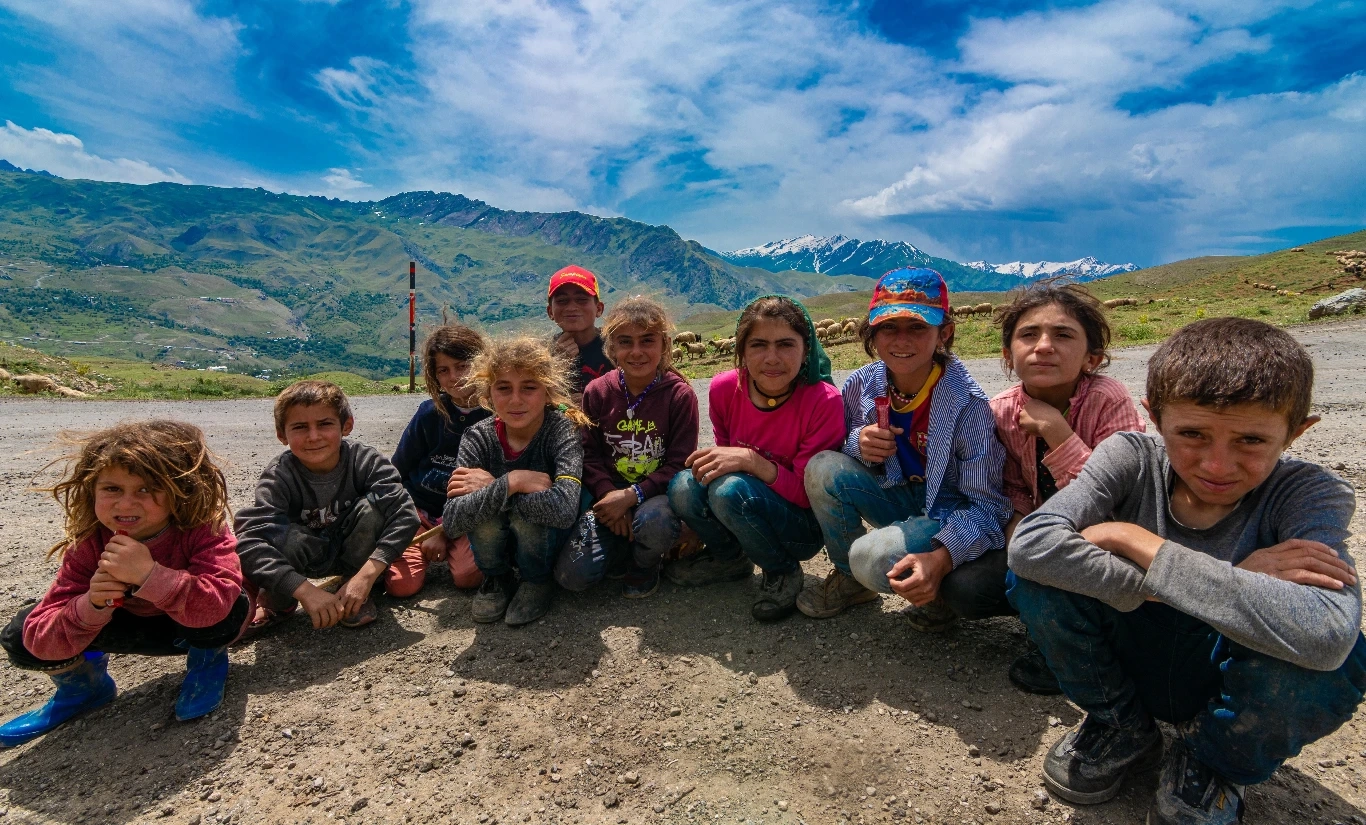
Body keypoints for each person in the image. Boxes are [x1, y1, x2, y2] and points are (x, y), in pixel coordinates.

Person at [1008, 317, 1365, 825]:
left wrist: (1134, 539)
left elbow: (1327, 633)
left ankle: (1211, 760)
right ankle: (1121, 725)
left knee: (1343, 661)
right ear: (1154, 418)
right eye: (1192, 434)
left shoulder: (1310, 494)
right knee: (1036, 582)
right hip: (1139, 645)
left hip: (1226, 667)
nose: (1217, 465)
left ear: (1295, 433)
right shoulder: (1130, 458)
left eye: (1250, 441)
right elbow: (1031, 546)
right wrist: (1238, 572)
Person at [0, 421, 248, 745]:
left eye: (147, 488)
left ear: (179, 489)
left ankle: (207, 663)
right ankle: (86, 688)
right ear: (92, 490)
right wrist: (91, 605)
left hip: (187, 630)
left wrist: (148, 575)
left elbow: (215, 604)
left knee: (231, 605)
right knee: (23, 636)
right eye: (112, 489)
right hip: (125, 626)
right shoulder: (89, 543)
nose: (126, 504)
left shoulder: (203, 528)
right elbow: (42, 636)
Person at [802, 267, 1011, 632]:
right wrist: (859, 444)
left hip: (947, 514)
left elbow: (989, 507)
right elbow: (843, 449)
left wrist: (944, 556)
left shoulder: (969, 407)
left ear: (943, 333)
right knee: (821, 466)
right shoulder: (862, 384)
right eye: (888, 327)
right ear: (873, 333)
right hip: (896, 496)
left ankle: (936, 589)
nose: (902, 340)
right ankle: (850, 581)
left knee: (871, 558)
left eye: (917, 327)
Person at [989, 281, 1146, 695]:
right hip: (1042, 532)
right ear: (1008, 355)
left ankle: (1092, 649)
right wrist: (1019, 524)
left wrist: (1058, 434)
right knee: (982, 581)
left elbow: (1124, 497)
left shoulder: (1109, 399)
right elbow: (1010, 485)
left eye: (1063, 335)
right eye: (1028, 335)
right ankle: (1048, 633)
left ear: (1091, 357)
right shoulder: (1001, 411)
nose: (1044, 346)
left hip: (1106, 534)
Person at [666, 295, 844, 621]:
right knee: (682, 485)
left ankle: (782, 570)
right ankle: (729, 558)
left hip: (801, 526)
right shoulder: (723, 389)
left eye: (786, 345)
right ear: (742, 351)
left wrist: (752, 460)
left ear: (807, 350)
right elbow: (723, 459)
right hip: (746, 500)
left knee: (728, 490)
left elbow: (808, 496)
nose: (772, 358)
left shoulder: (824, 402)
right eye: (759, 345)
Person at [235, 380, 420, 634]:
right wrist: (304, 590)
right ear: (282, 435)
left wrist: (367, 574)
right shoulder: (279, 477)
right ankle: (279, 603)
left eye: (324, 424)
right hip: (305, 552)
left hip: (355, 552)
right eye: (300, 427)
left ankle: (356, 589)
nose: (314, 436)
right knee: (282, 537)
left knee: (373, 510)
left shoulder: (365, 461)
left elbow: (406, 514)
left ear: (347, 425)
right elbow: (249, 542)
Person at [555, 297, 699, 599]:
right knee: (573, 577)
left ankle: (645, 563)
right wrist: (609, 494)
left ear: (665, 345)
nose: (636, 352)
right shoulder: (597, 392)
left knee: (654, 522)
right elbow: (588, 452)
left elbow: (678, 463)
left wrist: (631, 496)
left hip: (655, 497)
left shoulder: (679, 396)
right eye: (625, 342)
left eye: (647, 341)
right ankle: (624, 546)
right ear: (612, 348)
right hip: (609, 496)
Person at [443, 337, 590, 626]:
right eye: (503, 388)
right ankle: (497, 578)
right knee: (484, 514)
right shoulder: (477, 438)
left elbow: (564, 509)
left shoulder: (562, 432)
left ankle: (537, 580)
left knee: (520, 515)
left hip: (545, 542)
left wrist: (494, 490)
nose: (515, 400)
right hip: (496, 541)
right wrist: (513, 481)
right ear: (488, 393)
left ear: (547, 392)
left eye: (529, 387)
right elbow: (452, 521)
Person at [386, 324, 490, 597]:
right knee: (401, 586)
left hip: (468, 517)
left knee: (468, 577)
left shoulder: (498, 416)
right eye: (443, 370)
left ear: (482, 362)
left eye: (462, 365)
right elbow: (399, 469)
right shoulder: (430, 413)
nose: (453, 377)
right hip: (418, 512)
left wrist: (445, 531)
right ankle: (411, 543)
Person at [546, 265, 613, 398]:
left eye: (581, 300)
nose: (571, 307)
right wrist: (556, 363)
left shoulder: (615, 348)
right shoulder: (541, 355)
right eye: (562, 301)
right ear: (550, 312)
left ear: (599, 309)